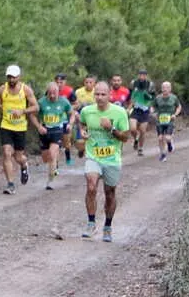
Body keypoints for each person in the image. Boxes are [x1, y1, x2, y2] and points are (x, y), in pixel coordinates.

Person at [79, 81, 130, 243]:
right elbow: (82, 124)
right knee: (91, 185)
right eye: (97, 94)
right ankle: (91, 223)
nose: (100, 97)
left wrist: (111, 129)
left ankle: (107, 226)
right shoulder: (87, 111)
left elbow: (126, 137)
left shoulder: (119, 112)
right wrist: (83, 132)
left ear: (109, 95)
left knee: (110, 194)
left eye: (103, 94)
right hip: (93, 156)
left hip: (112, 159)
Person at [0, 65, 39, 194]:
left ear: (19, 77)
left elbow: (36, 107)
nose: (11, 79)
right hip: (6, 125)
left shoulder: (26, 90)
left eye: (13, 77)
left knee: (18, 157)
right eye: (9, 77)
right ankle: (10, 184)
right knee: (7, 152)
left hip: (20, 127)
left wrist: (22, 111)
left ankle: (24, 165)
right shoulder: (2, 89)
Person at [34, 82, 75, 190]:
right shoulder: (41, 102)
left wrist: (70, 124)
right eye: (50, 93)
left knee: (52, 154)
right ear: (47, 92)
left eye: (54, 93)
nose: (52, 96)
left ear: (58, 92)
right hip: (44, 131)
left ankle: (50, 181)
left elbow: (72, 114)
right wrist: (38, 126)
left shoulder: (64, 101)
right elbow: (32, 115)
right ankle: (54, 163)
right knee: (45, 158)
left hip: (57, 130)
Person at [151, 81, 182, 161]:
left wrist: (175, 114)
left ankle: (169, 143)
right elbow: (153, 107)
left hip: (170, 121)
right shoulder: (158, 98)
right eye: (163, 87)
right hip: (159, 121)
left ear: (170, 89)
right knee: (160, 138)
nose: (165, 89)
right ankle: (163, 154)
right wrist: (152, 112)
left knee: (167, 138)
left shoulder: (174, 98)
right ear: (161, 89)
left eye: (167, 87)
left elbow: (179, 107)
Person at [128, 70, 155, 156]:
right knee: (132, 129)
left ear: (146, 76)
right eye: (140, 75)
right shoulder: (133, 83)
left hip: (145, 110)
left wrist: (151, 106)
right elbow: (130, 95)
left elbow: (152, 97)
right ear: (138, 75)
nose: (142, 76)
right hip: (135, 109)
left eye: (144, 75)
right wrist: (129, 107)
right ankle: (136, 139)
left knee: (143, 131)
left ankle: (140, 148)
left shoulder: (150, 84)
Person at [72, 75, 96, 159]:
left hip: (93, 118)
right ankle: (81, 149)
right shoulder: (78, 92)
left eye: (90, 82)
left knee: (92, 138)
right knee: (79, 141)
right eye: (86, 82)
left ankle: (90, 153)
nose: (88, 84)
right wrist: (75, 114)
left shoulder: (97, 92)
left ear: (94, 83)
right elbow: (74, 105)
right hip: (80, 118)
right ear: (84, 83)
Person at [55, 73, 76, 165]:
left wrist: (68, 108)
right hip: (54, 120)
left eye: (61, 82)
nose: (59, 84)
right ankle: (55, 162)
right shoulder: (51, 91)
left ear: (65, 82)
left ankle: (68, 158)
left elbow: (77, 103)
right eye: (57, 82)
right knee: (55, 141)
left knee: (66, 141)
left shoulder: (69, 91)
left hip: (66, 119)